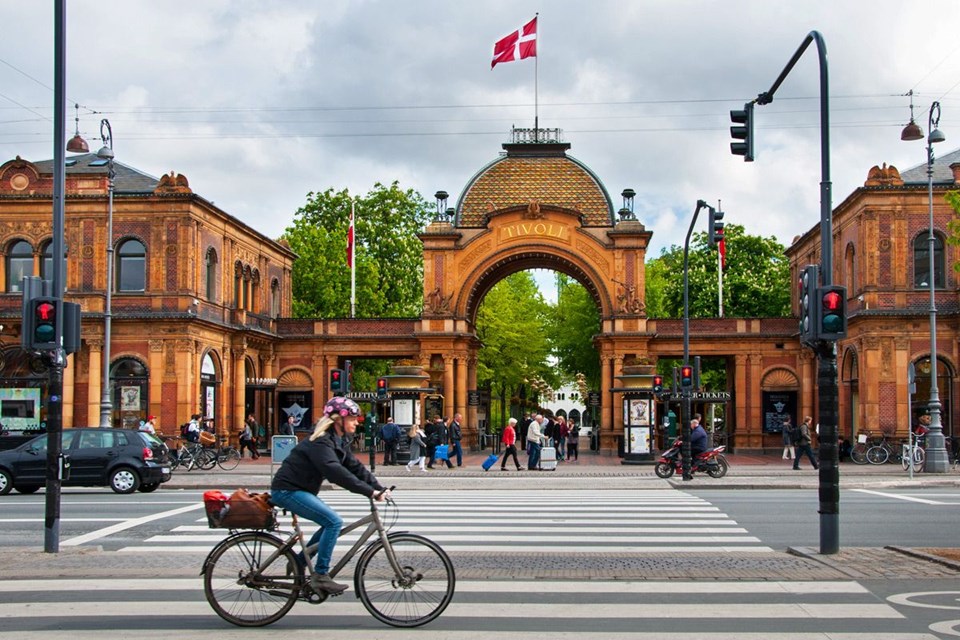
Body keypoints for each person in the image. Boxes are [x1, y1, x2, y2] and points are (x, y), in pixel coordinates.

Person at [270, 396, 390, 596]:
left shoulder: (337, 440)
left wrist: (379, 487)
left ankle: (298, 563)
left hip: (300, 489)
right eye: (352, 418)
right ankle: (321, 575)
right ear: (338, 420)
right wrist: (369, 492)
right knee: (333, 522)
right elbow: (335, 471)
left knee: (330, 522)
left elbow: (354, 466)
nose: (356, 422)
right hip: (287, 490)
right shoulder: (321, 441)